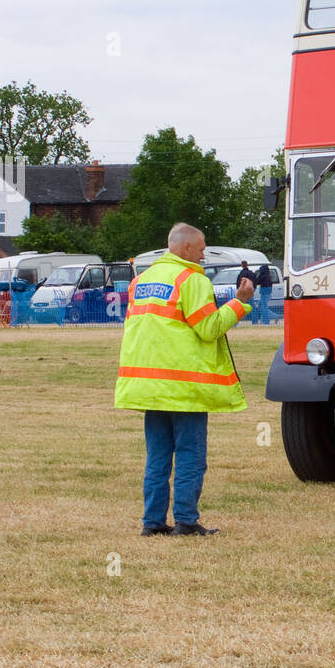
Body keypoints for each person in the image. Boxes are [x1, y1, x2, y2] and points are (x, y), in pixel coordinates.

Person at [114, 223, 254, 537]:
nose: (204, 254)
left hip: (149, 385)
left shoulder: (141, 280)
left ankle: (152, 523)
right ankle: (186, 521)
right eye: (202, 248)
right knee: (190, 454)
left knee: (158, 457)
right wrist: (240, 301)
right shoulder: (192, 279)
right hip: (184, 386)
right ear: (186, 248)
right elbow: (209, 328)